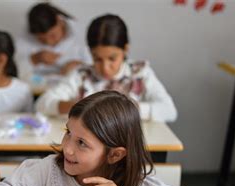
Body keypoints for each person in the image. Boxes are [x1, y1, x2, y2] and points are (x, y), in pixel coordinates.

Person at [0, 91, 215, 186]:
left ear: (115, 154)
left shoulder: (137, 183)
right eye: (68, 133)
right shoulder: (47, 169)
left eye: (82, 143)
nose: (67, 148)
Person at [35, 14, 177, 122]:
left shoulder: (140, 73)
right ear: (90, 52)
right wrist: (77, 106)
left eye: (112, 59)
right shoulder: (81, 75)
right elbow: (41, 104)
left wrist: (129, 109)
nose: (105, 67)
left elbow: (169, 111)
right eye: (97, 59)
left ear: (125, 49)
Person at [15, 2, 92, 79]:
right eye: (42, 39)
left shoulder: (83, 33)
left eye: (53, 36)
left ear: (59, 20)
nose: (49, 42)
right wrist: (34, 59)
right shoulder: (24, 38)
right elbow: (12, 73)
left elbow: (97, 67)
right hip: (37, 86)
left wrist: (80, 66)